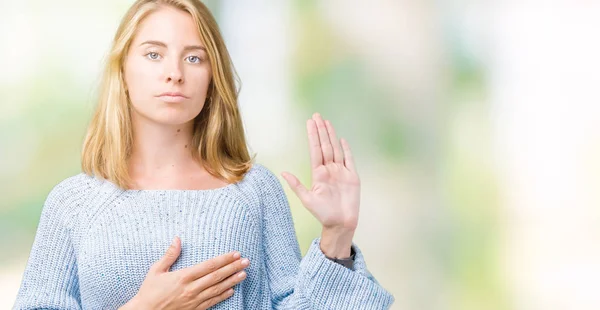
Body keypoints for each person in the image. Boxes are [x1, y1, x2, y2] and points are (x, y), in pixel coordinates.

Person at [13, 0, 395, 309]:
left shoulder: (253, 191)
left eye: (194, 58)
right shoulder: (74, 204)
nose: (174, 73)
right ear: (123, 71)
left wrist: (336, 238)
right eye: (153, 54)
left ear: (213, 79)